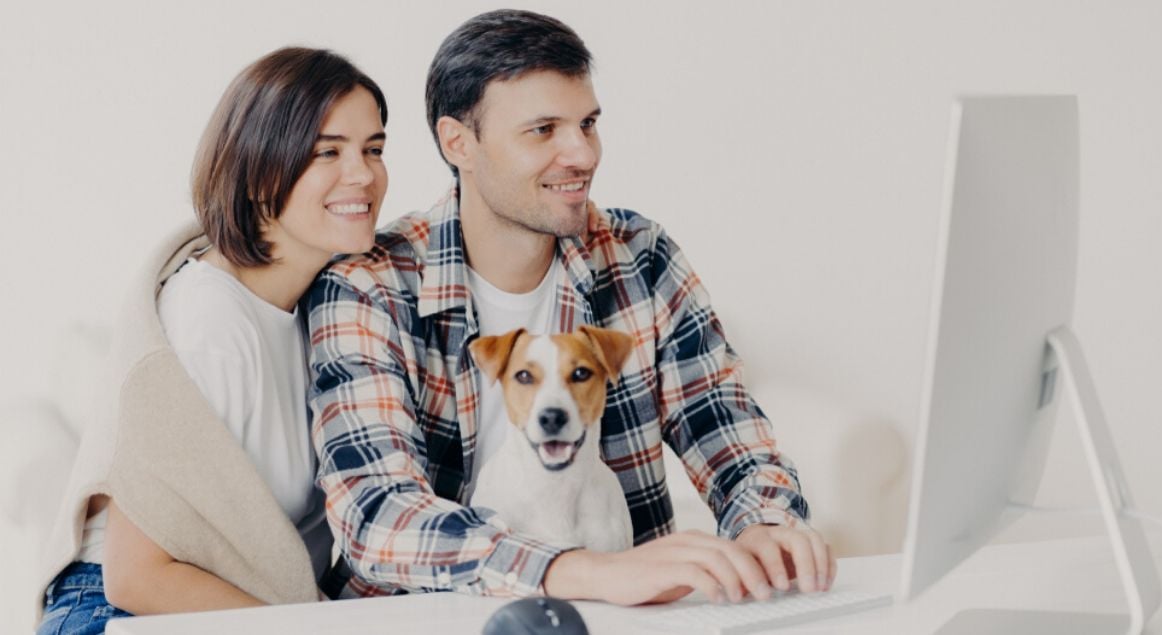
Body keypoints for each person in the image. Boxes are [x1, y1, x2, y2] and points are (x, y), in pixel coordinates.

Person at [305, 9, 833, 606]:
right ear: (459, 144)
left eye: (587, 123)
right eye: (543, 130)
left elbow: (727, 435)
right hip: (428, 617)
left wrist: (764, 524)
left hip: (616, 617)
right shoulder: (369, 287)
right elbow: (377, 515)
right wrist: (584, 572)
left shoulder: (641, 257)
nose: (581, 154)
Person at [35, 47, 389, 634]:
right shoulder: (211, 318)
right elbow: (136, 575)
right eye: (328, 151)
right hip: (114, 613)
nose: (364, 174)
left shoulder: (320, 313)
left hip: (235, 609)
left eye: (373, 149)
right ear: (259, 172)